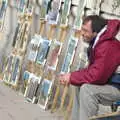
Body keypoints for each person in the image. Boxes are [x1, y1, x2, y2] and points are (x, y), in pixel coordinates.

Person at [59, 15, 120, 120]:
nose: (82, 33)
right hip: (110, 83)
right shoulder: (100, 42)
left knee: (87, 90)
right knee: (80, 84)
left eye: (85, 31)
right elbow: (93, 70)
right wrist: (72, 76)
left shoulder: (107, 46)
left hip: (116, 87)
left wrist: (71, 77)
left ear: (95, 33)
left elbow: (97, 76)